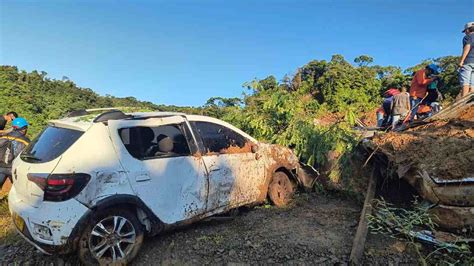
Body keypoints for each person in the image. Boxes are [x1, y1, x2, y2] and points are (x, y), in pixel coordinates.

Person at [0, 118, 30, 188]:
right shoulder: (26, 141)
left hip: (1, 166)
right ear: (23, 128)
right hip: (14, 169)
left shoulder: (2, 137)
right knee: (18, 190)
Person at [459, 21, 474, 98]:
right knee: (472, 84)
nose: (465, 33)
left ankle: (463, 101)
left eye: (465, 31)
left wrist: (461, 61)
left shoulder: (468, 37)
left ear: (468, 30)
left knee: (465, 82)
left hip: (468, 62)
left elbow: (467, 47)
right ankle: (471, 101)